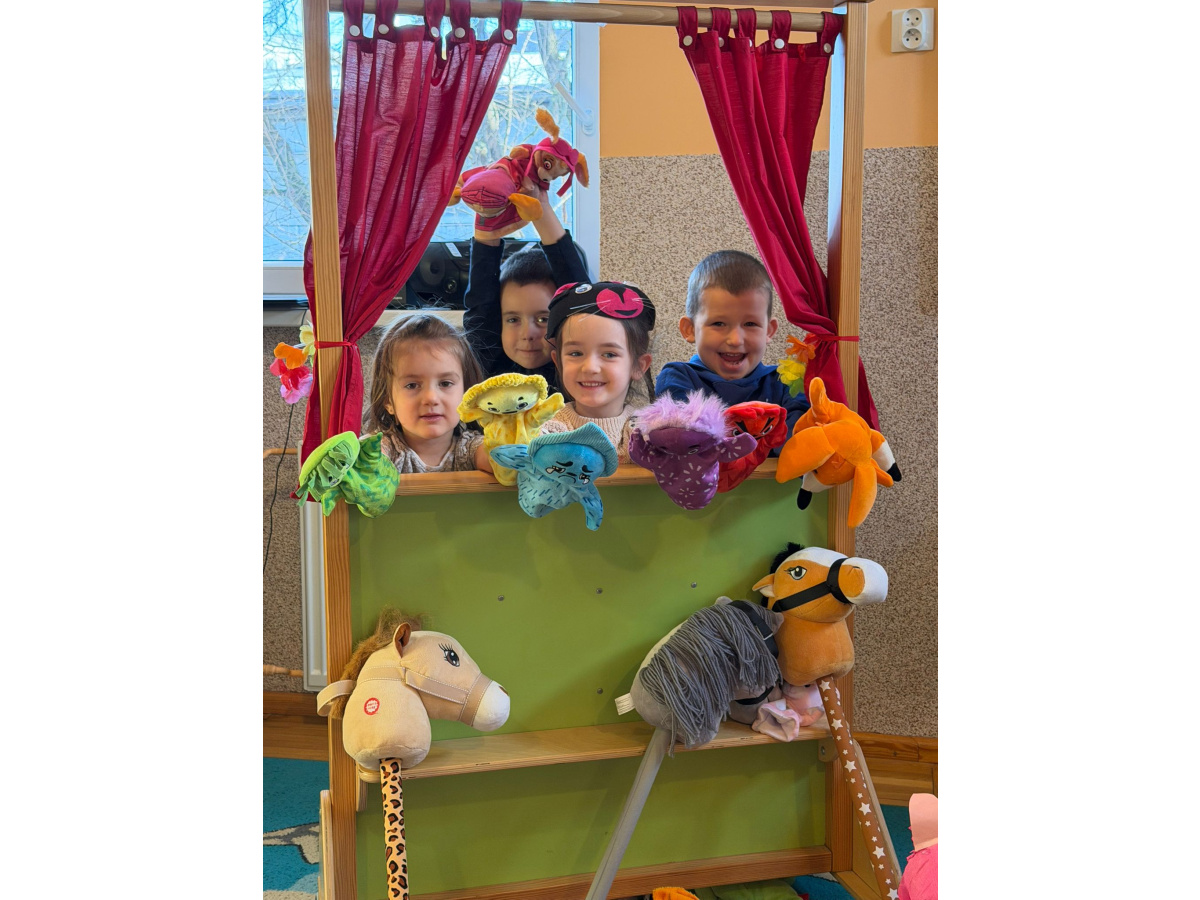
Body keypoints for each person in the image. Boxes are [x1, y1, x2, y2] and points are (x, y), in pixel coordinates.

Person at [654, 250, 810, 437]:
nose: (735, 340)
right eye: (718, 324)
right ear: (690, 329)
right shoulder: (677, 377)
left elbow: (800, 441)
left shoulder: (784, 382)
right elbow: (684, 440)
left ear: (769, 331)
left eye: (750, 324)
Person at [462, 184, 590, 394]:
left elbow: (580, 302)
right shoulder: (488, 365)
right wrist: (487, 211)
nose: (527, 334)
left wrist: (540, 205)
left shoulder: (575, 371)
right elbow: (481, 305)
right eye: (513, 320)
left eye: (543, 319)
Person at [539, 280, 655, 464]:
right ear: (558, 362)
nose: (590, 367)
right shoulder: (547, 430)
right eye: (576, 353)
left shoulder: (648, 430)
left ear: (638, 366)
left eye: (609, 354)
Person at [365, 313, 493, 474]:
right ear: (388, 400)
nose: (431, 398)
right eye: (412, 385)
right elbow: (364, 462)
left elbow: (501, 462)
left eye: (445, 383)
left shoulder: (470, 449)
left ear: (466, 395)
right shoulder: (384, 448)